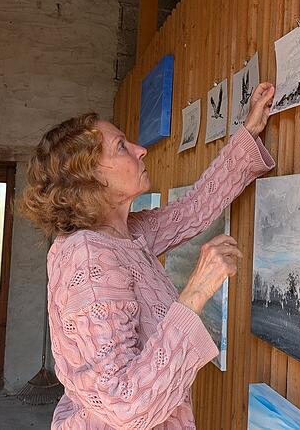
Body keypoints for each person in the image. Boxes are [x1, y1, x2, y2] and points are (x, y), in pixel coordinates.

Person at [20, 82, 276, 429]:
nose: (140, 150)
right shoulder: (88, 257)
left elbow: (194, 210)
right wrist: (197, 291)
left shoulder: (125, 234)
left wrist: (249, 132)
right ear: (90, 176)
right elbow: (125, 404)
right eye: (122, 147)